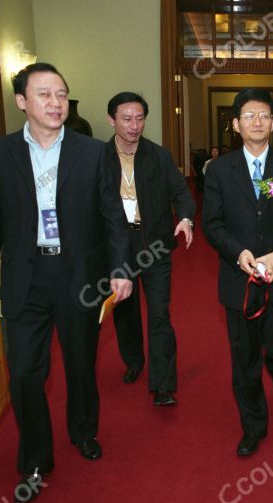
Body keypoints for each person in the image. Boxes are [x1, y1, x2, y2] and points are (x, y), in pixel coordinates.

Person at [0, 63, 133, 503]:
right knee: (25, 373)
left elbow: (112, 215)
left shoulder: (91, 151)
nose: (55, 103)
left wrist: (121, 269)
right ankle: (36, 460)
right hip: (26, 276)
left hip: (78, 274)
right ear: (22, 101)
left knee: (81, 364)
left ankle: (83, 431)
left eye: (61, 94)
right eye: (44, 94)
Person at [202, 88, 273, 457]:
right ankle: (253, 425)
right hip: (240, 279)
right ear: (235, 124)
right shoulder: (218, 170)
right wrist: (238, 253)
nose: (257, 122)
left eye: (264, 115)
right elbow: (212, 224)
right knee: (244, 357)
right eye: (248, 116)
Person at [105, 92, 195, 406]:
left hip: (154, 244)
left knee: (159, 313)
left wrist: (185, 217)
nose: (134, 125)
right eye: (127, 119)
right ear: (112, 120)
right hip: (117, 247)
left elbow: (181, 191)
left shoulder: (158, 156)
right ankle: (134, 361)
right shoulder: (98, 158)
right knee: (126, 313)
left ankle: (163, 384)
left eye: (140, 118)